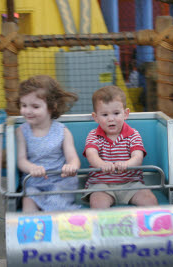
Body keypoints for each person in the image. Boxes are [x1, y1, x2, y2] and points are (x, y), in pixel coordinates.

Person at [82, 85, 158, 208]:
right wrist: (102, 164)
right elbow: (91, 155)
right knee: (97, 203)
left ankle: (149, 226)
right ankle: (105, 226)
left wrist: (127, 164)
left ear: (125, 113)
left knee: (149, 200)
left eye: (116, 113)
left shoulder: (133, 134)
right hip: (101, 185)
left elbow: (138, 157)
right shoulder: (94, 135)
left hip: (131, 184)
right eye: (105, 115)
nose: (111, 119)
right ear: (95, 117)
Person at [16, 75, 81, 212]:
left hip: (60, 181)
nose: (28, 111)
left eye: (35, 106)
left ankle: (59, 226)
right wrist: (31, 168)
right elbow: (21, 160)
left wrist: (71, 166)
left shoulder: (62, 131)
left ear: (51, 107)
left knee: (55, 203)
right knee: (28, 201)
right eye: (24, 105)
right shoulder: (22, 131)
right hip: (34, 181)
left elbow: (72, 158)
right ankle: (31, 231)